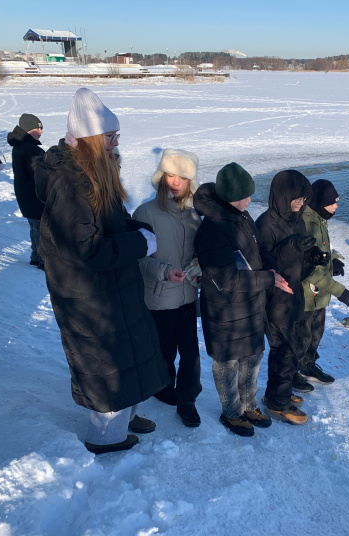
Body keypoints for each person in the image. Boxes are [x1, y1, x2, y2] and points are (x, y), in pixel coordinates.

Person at [35, 87, 169, 454]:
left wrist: (139, 232)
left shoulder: (96, 170)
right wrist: (139, 244)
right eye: (109, 137)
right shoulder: (71, 183)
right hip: (89, 295)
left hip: (113, 285)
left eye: (116, 135)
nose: (116, 143)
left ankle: (126, 417)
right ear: (90, 138)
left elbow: (113, 221)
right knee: (107, 366)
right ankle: (106, 438)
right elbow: (86, 250)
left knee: (130, 352)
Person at [193, 162, 292, 437]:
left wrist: (271, 268)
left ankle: (249, 405)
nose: (249, 200)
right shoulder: (212, 229)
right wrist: (267, 280)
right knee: (228, 364)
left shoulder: (243, 217)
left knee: (252, 357)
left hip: (251, 305)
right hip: (225, 312)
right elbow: (226, 280)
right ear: (229, 196)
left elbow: (260, 249)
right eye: (244, 196)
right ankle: (232, 412)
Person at [133, 149, 203, 428]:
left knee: (190, 353)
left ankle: (187, 401)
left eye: (182, 177)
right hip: (159, 297)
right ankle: (162, 387)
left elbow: (200, 252)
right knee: (164, 351)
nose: (175, 182)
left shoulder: (195, 215)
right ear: (161, 177)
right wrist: (164, 271)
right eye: (170, 175)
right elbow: (138, 259)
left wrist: (199, 266)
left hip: (187, 296)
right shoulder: (145, 213)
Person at [256, 170, 325, 425]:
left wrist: (312, 258)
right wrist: (292, 247)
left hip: (294, 293)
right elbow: (266, 264)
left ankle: (276, 393)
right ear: (283, 196)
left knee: (291, 348)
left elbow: (298, 259)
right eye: (296, 199)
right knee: (284, 351)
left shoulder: (297, 220)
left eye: (304, 199)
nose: (300, 204)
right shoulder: (266, 224)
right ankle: (278, 404)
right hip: (274, 299)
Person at [295, 179, 349, 392]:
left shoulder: (320, 219)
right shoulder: (305, 224)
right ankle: (291, 373)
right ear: (320, 202)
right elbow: (307, 267)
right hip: (306, 294)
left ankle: (308, 366)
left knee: (315, 334)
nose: (336, 206)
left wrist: (332, 263)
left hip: (319, 294)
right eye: (332, 203)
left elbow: (319, 253)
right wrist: (338, 290)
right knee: (302, 337)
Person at [8, 113, 45, 268]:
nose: (40, 132)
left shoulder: (20, 146)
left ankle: (35, 256)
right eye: (37, 128)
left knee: (34, 226)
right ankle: (43, 260)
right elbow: (39, 174)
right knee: (41, 228)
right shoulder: (30, 149)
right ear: (28, 129)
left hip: (25, 195)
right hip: (34, 195)